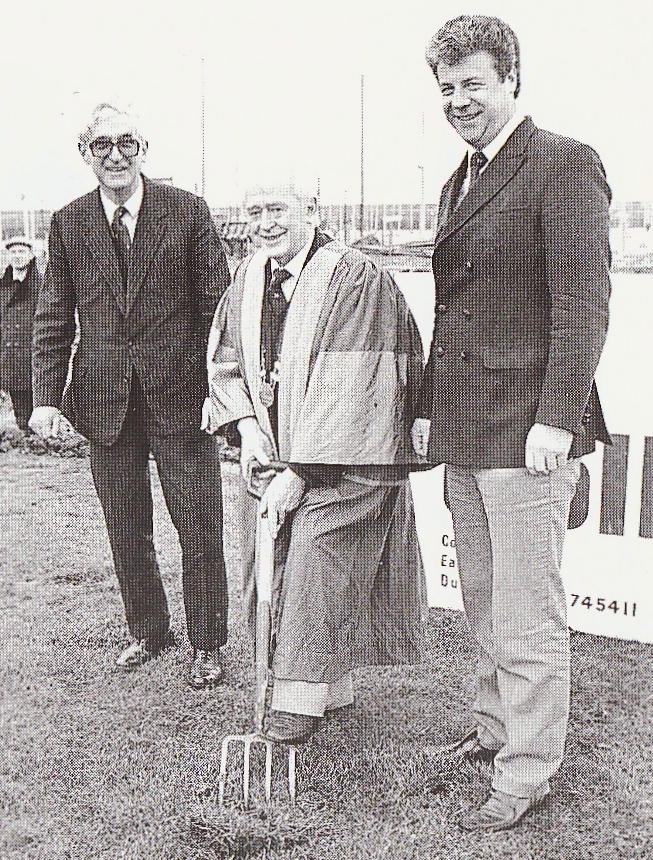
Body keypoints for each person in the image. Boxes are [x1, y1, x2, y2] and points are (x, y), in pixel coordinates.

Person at [412, 15, 611, 831]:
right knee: (485, 598)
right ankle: (494, 730)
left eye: (473, 84)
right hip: (467, 428)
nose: (459, 101)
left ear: (511, 80)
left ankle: (526, 771)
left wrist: (555, 421)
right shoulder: (459, 178)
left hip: (528, 432)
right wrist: (427, 412)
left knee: (527, 612)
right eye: (447, 88)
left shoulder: (562, 162)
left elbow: (584, 306)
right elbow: (452, 315)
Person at [207, 177, 425, 744]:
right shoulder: (250, 278)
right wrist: (248, 426)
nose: (263, 222)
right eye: (253, 210)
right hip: (279, 451)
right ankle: (326, 686)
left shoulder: (354, 277)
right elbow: (227, 360)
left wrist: (301, 473)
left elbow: (354, 386)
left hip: (352, 461)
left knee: (316, 560)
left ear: (311, 209)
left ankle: (298, 702)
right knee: (270, 559)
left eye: (276, 208)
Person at [30, 103, 231, 687]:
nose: (114, 155)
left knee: (197, 523)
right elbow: (52, 316)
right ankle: (148, 631)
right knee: (126, 525)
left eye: (126, 142)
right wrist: (45, 397)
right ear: (85, 153)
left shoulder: (188, 212)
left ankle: (207, 644)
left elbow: (216, 311)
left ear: (144, 147)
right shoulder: (68, 223)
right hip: (103, 402)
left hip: (181, 397)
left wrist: (219, 391)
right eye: (101, 145)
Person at [1, 236, 41, 434]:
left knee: (36, 395)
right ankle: (24, 432)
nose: (17, 256)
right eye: (13, 252)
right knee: (18, 396)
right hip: (9, 356)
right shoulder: (3, 287)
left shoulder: (41, 287)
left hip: (32, 353)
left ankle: (38, 436)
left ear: (31, 255)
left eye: (22, 252)